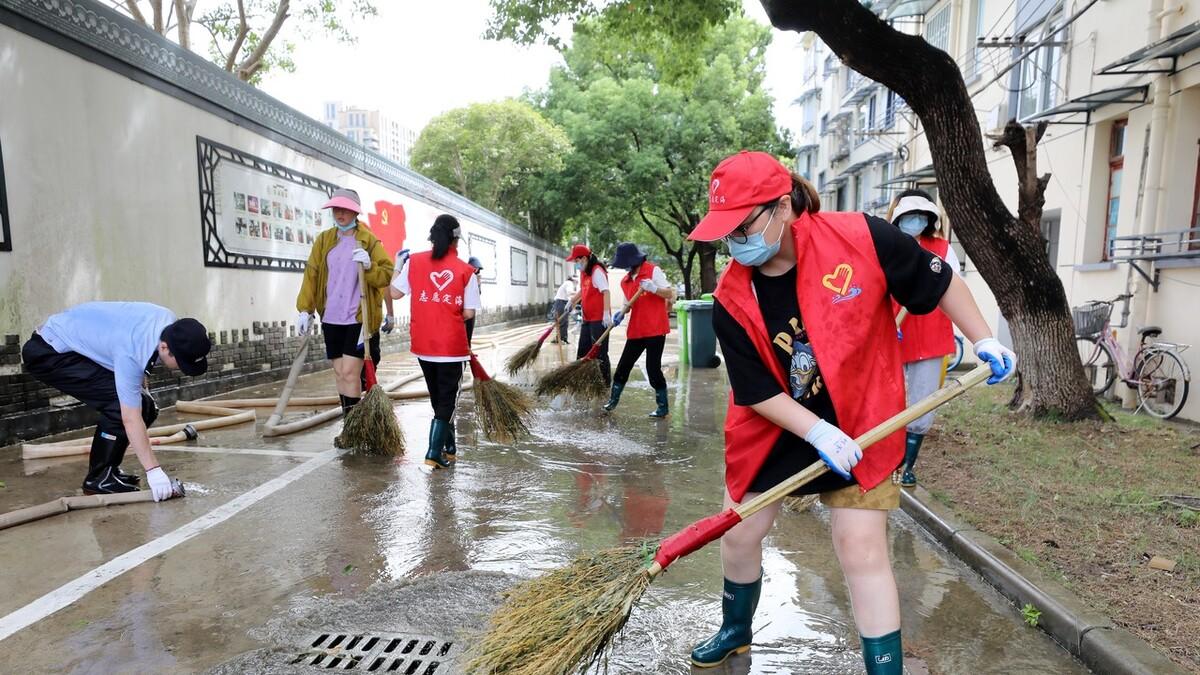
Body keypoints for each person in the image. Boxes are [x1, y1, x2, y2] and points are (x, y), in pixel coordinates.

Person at [687, 151, 1016, 673]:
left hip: (863, 417)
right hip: (776, 426)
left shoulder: (860, 238)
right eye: (726, 233)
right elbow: (755, 391)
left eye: (742, 227)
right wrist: (817, 432)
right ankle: (735, 631)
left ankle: (885, 669)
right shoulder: (730, 295)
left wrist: (983, 339)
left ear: (781, 207)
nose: (735, 242)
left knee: (861, 549)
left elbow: (939, 280)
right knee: (740, 532)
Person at [21, 303, 212, 499]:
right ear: (164, 347)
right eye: (182, 363)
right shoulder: (133, 351)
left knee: (146, 407)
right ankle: (98, 479)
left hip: (72, 344)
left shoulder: (168, 322)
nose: (182, 369)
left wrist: (143, 395)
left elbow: (139, 360)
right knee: (120, 408)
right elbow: (129, 416)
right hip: (49, 353)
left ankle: (109, 470)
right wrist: (153, 470)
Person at [389, 215, 482, 469]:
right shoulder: (466, 271)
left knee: (438, 398)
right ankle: (433, 452)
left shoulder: (414, 262)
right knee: (447, 400)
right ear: (455, 240)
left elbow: (394, 292)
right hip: (451, 347)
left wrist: (398, 266)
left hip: (424, 345)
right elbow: (469, 313)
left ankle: (449, 446)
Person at [296, 188, 394, 415]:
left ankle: (353, 424)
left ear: (355, 212)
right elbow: (311, 274)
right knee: (340, 373)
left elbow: (387, 275)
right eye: (336, 209)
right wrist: (305, 309)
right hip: (331, 316)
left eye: (345, 210)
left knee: (350, 372)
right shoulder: (324, 240)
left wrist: (369, 266)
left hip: (357, 317)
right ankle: (349, 422)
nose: (340, 214)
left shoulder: (368, 241)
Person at [889, 190, 961, 487]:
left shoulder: (941, 250)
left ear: (930, 219)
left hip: (930, 335)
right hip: (890, 333)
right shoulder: (885, 245)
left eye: (920, 216)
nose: (915, 221)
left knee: (922, 403)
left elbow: (954, 287)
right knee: (887, 401)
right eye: (909, 216)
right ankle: (882, 460)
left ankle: (906, 466)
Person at [603, 242, 675, 417]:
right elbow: (628, 304)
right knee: (623, 367)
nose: (625, 267)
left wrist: (653, 288)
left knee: (653, 369)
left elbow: (669, 294)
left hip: (655, 328)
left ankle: (662, 407)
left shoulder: (653, 271)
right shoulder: (625, 281)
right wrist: (620, 313)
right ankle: (612, 401)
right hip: (636, 329)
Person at [565, 244, 612, 385]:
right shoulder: (584, 272)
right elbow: (583, 290)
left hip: (599, 319)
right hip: (587, 318)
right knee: (583, 351)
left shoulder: (597, 271)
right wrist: (572, 301)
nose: (576, 264)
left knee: (600, 353)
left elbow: (606, 291)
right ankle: (582, 381)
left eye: (576, 261)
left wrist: (606, 313)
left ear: (584, 259)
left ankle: (604, 384)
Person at [551, 274, 576, 344]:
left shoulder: (568, 283)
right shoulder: (569, 283)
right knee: (562, 321)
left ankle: (561, 338)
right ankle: (561, 339)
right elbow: (570, 293)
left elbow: (570, 298)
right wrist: (580, 293)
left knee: (563, 322)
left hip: (561, 302)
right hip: (561, 303)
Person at [465, 255, 484, 346]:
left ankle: (468, 348)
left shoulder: (476, 278)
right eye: (475, 268)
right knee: (464, 331)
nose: (476, 270)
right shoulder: (465, 275)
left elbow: (478, 294)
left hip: (471, 309)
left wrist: (478, 285)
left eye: (477, 269)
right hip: (465, 308)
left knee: (469, 331)